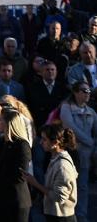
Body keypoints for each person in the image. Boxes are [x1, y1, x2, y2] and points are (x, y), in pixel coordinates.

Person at [23, 123, 79, 222]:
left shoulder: (62, 165)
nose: (41, 142)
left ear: (55, 142)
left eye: (44, 139)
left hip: (62, 217)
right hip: (54, 215)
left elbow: (59, 197)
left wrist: (35, 183)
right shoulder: (54, 159)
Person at [0, 107, 32, 222]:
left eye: (0, 120)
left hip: (16, 200)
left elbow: (20, 175)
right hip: (1, 197)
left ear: (9, 124)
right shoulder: (2, 142)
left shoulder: (22, 145)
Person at [59, 80, 95, 221]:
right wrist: (89, 141)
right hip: (70, 153)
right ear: (75, 92)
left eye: (89, 91)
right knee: (67, 185)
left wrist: (93, 145)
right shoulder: (66, 107)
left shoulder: (91, 112)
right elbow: (69, 126)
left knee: (83, 186)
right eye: (84, 91)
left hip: (85, 155)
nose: (88, 94)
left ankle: (82, 215)